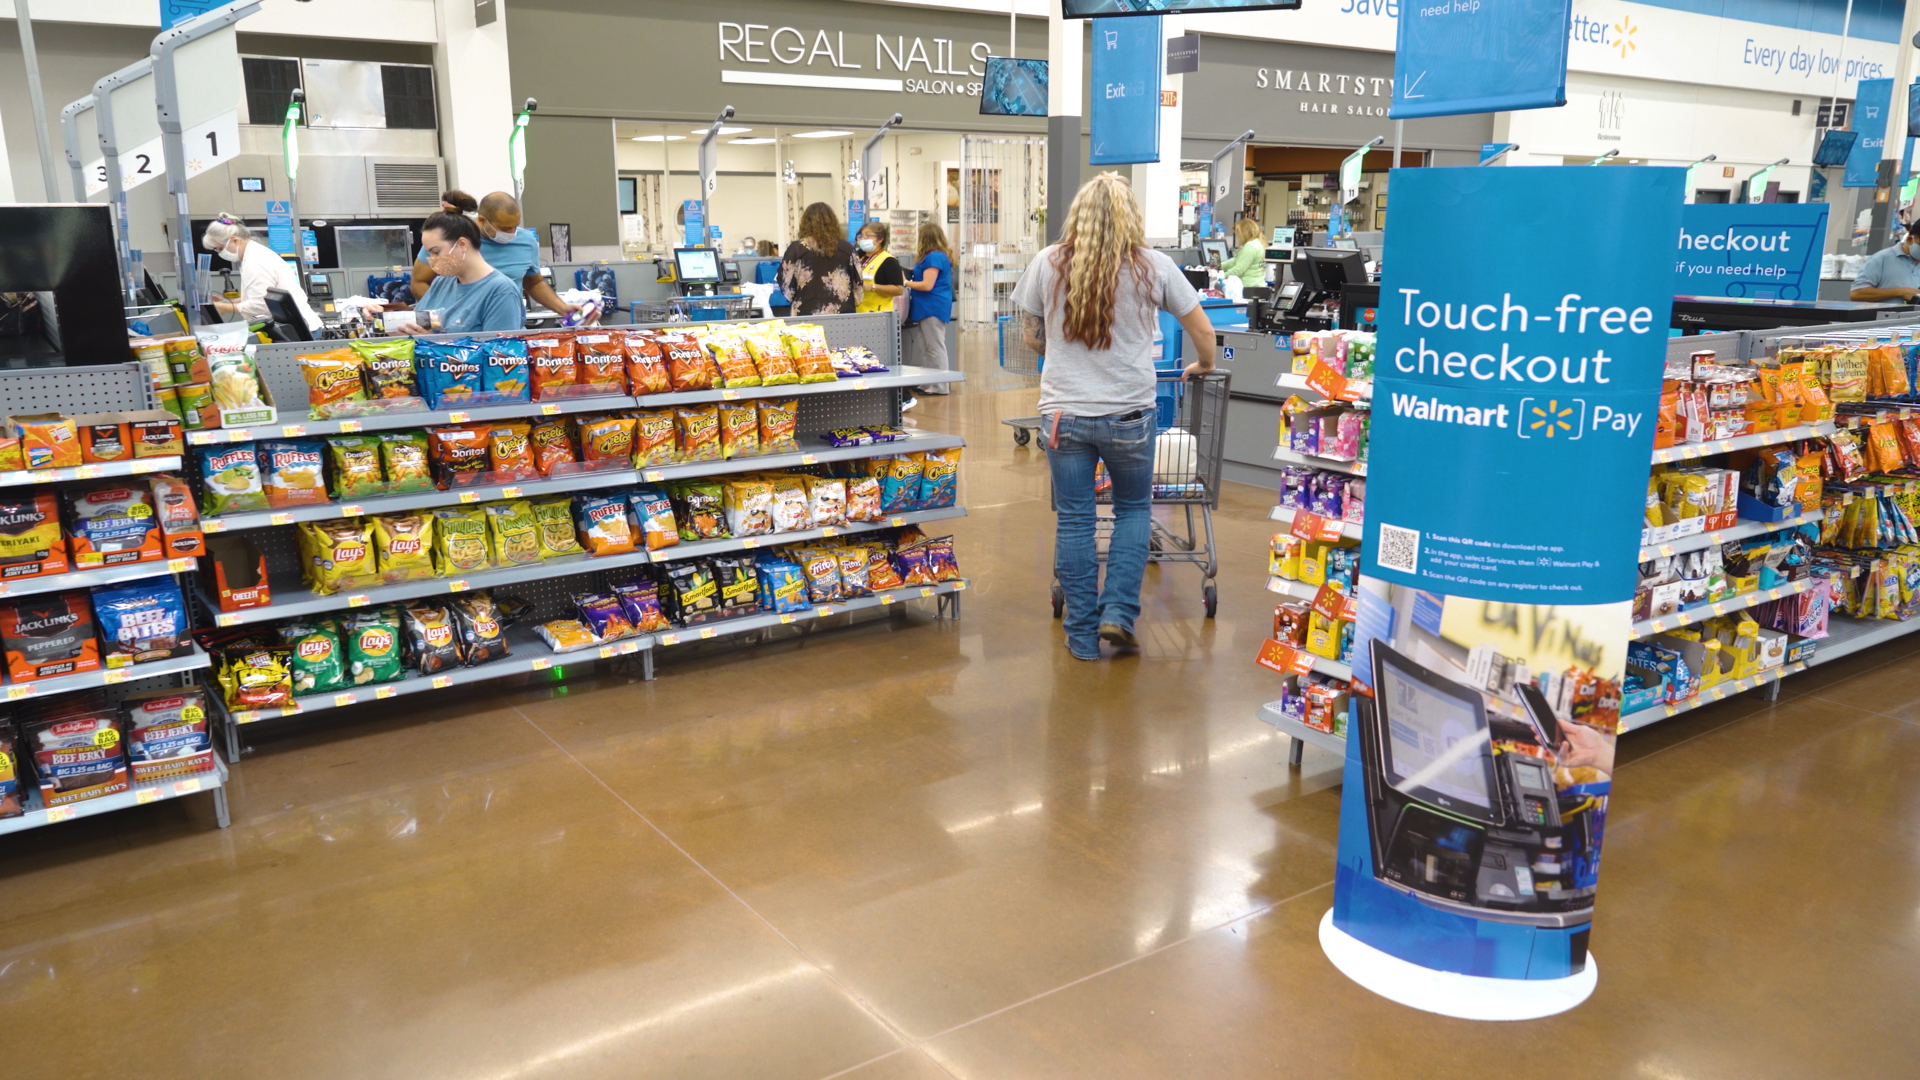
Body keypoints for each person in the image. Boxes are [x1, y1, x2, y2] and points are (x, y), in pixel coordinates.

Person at [1012, 172, 1217, 660]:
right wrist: (1204, 365)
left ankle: (1081, 636)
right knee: (1132, 510)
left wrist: (1063, 350)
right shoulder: (1155, 265)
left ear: (1078, 214)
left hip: (1064, 415)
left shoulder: (1047, 262)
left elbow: (1030, 335)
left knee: (1076, 520)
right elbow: (1204, 331)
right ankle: (1118, 614)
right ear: (1132, 217)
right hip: (1130, 414)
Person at [410, 192, 578, 321]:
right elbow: (420, 281)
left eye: (516, 226)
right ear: (482, 220)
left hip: (502, 324)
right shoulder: (451, 240)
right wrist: (445, 320)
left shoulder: (526, 242)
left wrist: (563, 309)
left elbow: (533, 283)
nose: (512, 233)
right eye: (505, 229)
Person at [399, 212, 525, 335]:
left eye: (436, 252)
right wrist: (385, 319)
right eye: (429, 253)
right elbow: (417, 323)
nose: (431, 259)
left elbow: (499, 352)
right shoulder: (441, 283)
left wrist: (432, 344)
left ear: (462, 244)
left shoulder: (501, 292)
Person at [201, 215, 322, 335]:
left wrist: (224, 308)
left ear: (236, 240)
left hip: (298, 330)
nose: (219, 253)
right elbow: (263, 296)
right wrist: (228, 302)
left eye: (219, 248)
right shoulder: (255, 254)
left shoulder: (255, 262)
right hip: (297, 326)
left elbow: (260, 305)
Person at [778, 202, 864, 315]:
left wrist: (795, 298)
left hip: (806, 311)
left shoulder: (797, 248)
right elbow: (858, 281)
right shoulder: (847, 248)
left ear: (805, 223)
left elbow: (785, 281)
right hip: (842, 313)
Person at [904, 222, 955, 393]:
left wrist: (905, 282)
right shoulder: (934, 257)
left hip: (932, 305)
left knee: (935, 347)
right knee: (926, 347)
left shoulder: (934, 257)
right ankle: (929, 382)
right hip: (927, 306)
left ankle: (941, 385)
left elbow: (927, 285)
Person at [1851, 219, 1920, 301]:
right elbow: (1856, 294)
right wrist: (1900, 291)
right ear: (1909, 239)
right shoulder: (1882, 259)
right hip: (1884, 313)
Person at [853, 221, 906, 315]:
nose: (863, 239)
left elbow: (898, 289)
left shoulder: (889, 261)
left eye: (868, 236)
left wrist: (873, 287)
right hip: (858, 313)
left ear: (880, 239)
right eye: (862, 236)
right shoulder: (859, 257)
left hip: (878, 315)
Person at [1220, 217, 1268, 291]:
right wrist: (1219, 266)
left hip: (1248, 291)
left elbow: (1238, 270)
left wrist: (1220, 276)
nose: (1237, 237)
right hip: (1257, 288)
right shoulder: (1259, 243)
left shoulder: (1250, 247)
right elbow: (1236, 260)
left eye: (1238, 234)